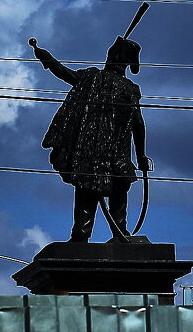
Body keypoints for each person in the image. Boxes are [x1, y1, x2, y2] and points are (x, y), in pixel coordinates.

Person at [31, 35, 150, 242]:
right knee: (115, 193)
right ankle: (118, 233)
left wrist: (47, 59)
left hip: (97, 154)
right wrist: (141, 155)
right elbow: (138, 125)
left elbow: (64, 73)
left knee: (93, 191)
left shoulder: (96, 79)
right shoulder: (122, 86)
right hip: (111, 155)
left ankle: (86, 235)